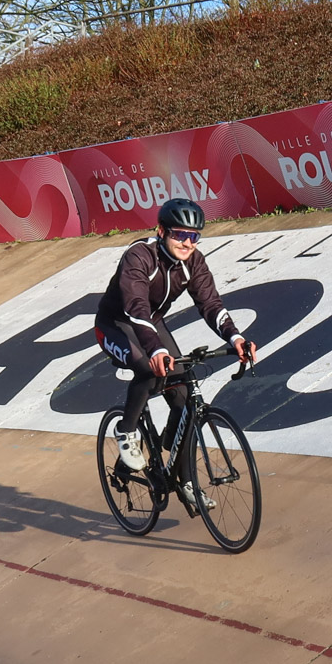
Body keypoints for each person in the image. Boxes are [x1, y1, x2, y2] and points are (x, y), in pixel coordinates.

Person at [93, 199, 257, 496]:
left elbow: (210, 304)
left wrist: (235, 338)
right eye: (179, 234)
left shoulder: (194, 262)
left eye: (194, 236)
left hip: (151, 323)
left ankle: (182, 479)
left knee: (184, 404)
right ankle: (127, 430)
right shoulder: (139, 255)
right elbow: (136, 307)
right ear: (161, 231)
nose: (187, 242)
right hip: (115, 324)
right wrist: (156, 350)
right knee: (148, 368)